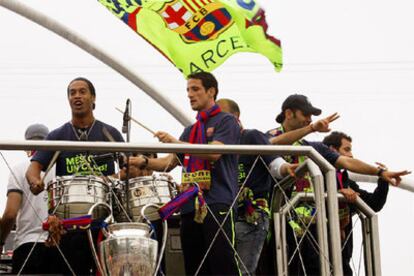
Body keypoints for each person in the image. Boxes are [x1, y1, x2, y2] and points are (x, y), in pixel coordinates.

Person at [267, 93, 410, 275]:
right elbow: (274, 144)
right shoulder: (268, 138)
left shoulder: (314, 148)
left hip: (312, 226)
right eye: (306, 115)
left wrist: (380, 173)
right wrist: (311, 128)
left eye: (312, 117)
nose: (310, 120)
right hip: (278, 222)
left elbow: (348, 163)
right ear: (289, 114)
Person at [129, 72, 241, 275]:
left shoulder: (226, 121)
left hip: (216, 202)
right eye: (188, 90)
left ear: (211, 91)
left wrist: (175, 142)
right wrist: (144, 161)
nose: (190, 94)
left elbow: (214, 153)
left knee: (222, 263)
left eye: (195, 89)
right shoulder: (190, 130)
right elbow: (168, 163)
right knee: (194, 267)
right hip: (189, 206)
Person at [26, 77, 125, 275]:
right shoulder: (57, 136)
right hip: (69, 225)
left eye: (82, 92)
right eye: (72, 93)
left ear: (93, 98)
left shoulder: (109, 132)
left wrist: (113, 178)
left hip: (104, 220)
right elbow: (33, 168)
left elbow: (130, 167)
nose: (77, 96)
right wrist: (35, 181)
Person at [217, 98, 296, 275]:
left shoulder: (251, 136)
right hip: (225, 216)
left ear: (235, 118)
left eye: (221, 116)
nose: (217, 121)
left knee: (244, 271)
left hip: (251, 215)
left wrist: (286, 168)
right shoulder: (217, 146)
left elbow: (274, 162)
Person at [323, 131, 390, 275]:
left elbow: (374, 204)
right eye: (346, 150)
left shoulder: (347, 181)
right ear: (332, 150)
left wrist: (384, 179)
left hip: (341, 260)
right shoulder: (313, 176)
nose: (351, 155)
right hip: (315, 254)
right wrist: (338, 193)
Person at [0, 124, 57, 274]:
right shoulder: (59, 169)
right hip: (57, 245)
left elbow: (10, 214)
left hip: (26, 245)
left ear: (26, 146)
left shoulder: (19, 169)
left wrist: (1, 241)